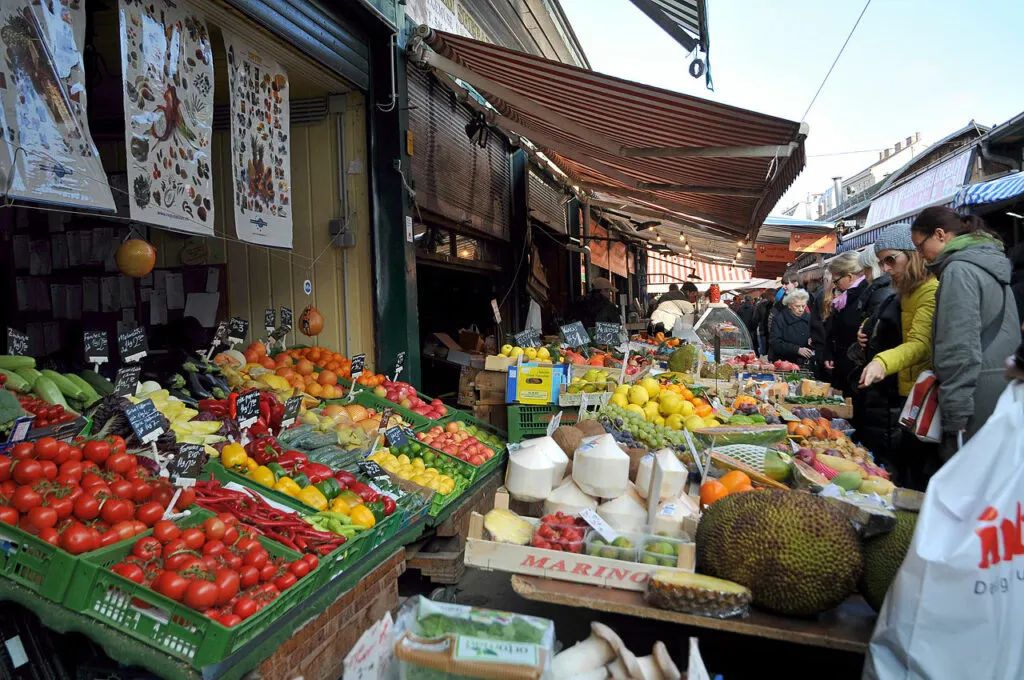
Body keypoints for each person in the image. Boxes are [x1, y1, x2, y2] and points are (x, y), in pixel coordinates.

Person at [910, 207, 1020, 459]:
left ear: (940, 234)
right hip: (999, 388)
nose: (919, 255)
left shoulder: (959, 271)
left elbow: (958, 347)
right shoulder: (988, 264)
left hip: (973, 397)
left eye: (919, 246)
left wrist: (956, 412)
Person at [859, 225, 939, 490]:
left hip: (920, 396)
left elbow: (920, 344)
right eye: (882, 262)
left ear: (912, 254)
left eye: (891, 259)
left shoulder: (930, 290)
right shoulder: (905, 291)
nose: (887, 268)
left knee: (915, 473)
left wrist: (882, 362)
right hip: (900, 393)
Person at [822, 252, 867, 387]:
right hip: (843, 363)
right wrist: (829, 352)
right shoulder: (846, 298)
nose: (835, 285)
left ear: (849, 277)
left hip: (853, 369)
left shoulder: (863, 295)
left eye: (836, 281)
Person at [768, 289, 820, 367]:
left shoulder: (809, 318)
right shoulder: (779, 318)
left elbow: (817, 337)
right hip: (784, 363)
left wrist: (812, 342)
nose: (801, 309)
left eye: (803, 306)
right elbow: (775, 343)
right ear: (789, 305)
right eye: (797, 306)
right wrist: (797, 349)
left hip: (803, 364)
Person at [753, 290, 773, 355]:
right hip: (773, 332)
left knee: (764, 350)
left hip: (763, 331)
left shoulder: (759, 305)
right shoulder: (774, 304)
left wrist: (754, 329)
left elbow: (755, 319)